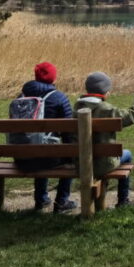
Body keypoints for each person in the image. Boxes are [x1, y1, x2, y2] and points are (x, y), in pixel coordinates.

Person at [74, 71, 134, 208]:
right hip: (102, 164)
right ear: (104, 91)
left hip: (79, 163)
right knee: (127, 154)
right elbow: (131, 116)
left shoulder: (76, 107)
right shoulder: (106, 109)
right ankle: (123, 200)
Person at [19, 61, 77, 213]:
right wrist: (72, 155)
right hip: (48, 159)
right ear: (53, 78)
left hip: (22, 157)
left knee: (38, 147)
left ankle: (41, 199)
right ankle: (62, 201)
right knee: (61, 154)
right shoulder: (59, 98)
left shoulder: (22, 96)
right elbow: (68, 131)